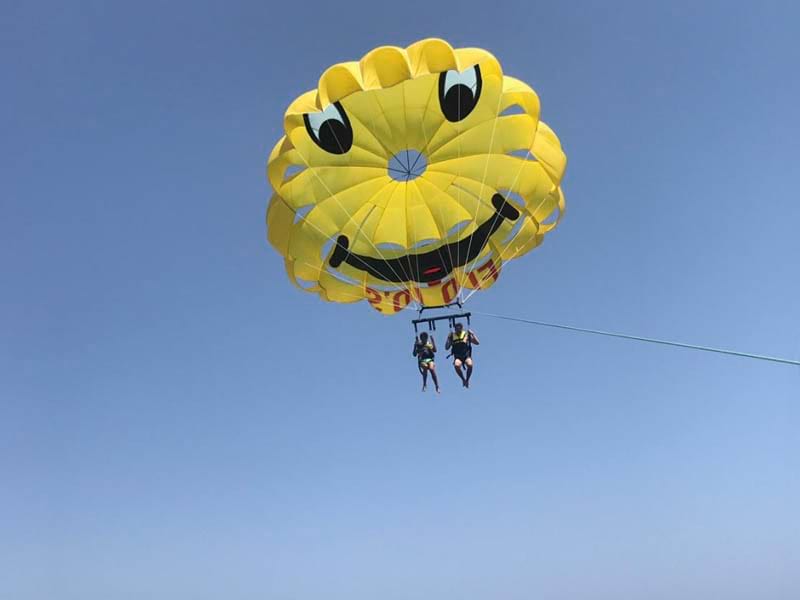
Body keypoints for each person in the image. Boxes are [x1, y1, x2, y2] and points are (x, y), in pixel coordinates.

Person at [446, 322, 480, 388]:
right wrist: (448, 338)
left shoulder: (466, 335)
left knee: (470, 364)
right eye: (456, 328)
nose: (458, 329)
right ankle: (463, 379)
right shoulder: (452, 336)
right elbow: (446, 347)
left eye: (460, 327)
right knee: (456, 365)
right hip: (458, 356)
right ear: (455, 329)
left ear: (462, 328)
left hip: (466, 355)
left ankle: (467, 380)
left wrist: (472, 334)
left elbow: (477, 342)